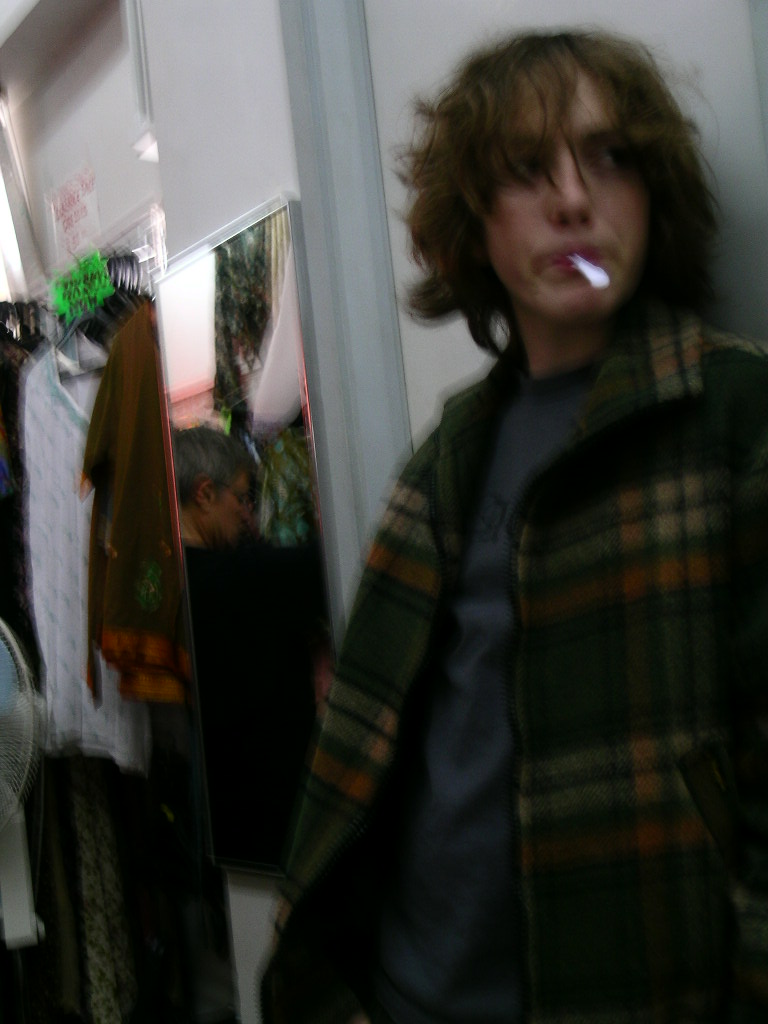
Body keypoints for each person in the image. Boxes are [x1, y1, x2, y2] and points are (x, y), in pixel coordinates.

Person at [261, 28, 768, 1023]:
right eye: (527, 170)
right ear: (475, 223)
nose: (574, 199)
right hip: (403, 989)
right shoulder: (450, 452)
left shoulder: (736, 416)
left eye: (610, 158)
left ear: (654, 191)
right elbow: (364, 758)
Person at [174, 424, 326, 868]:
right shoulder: (241, 575)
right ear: (205, 494)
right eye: (241, 498)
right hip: (277, 810)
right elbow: (331, 562)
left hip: (225, 817)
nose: (246, 513)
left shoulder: (173, 582)